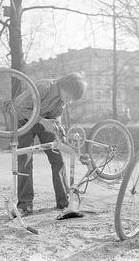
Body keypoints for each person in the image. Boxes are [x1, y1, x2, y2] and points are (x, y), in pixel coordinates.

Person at [14, 72, 88, 217]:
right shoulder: (43, 87)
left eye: (72, 99)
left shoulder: (63, 98)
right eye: (69, 97)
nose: (69, 101)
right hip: (25, 121)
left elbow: (57, 114)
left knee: (57, 159)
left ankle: (63, 202)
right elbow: (18, 106)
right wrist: (42, 121)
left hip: (46, 122)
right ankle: (25, 205)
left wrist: (59, 128)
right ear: (63, 86)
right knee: (25, 161)